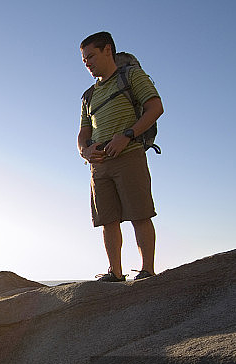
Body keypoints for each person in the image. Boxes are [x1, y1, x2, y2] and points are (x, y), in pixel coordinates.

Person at [77, 32, 163, 282]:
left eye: (91, 56)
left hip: (129, 154)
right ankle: (114, 271)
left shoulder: (131, 76)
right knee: (107, 220)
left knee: (140, 213)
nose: (87, 63)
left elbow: (155, 107)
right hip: (99, 165)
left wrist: (127, 136)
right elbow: (82, 134)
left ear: (108, 50)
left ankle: (147, 270)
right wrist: (85, 151)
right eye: (84, 60)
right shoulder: (88, 96)